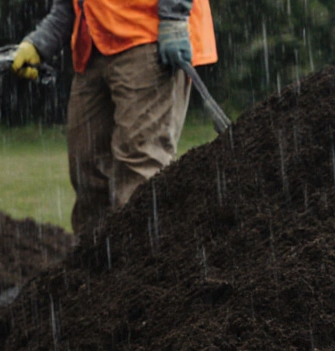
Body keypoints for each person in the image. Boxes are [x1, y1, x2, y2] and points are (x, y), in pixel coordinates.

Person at [12, 0, 217, 238]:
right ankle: (93, 268)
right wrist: (45, 38)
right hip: (94, 43)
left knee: (139, 173)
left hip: (148, 34)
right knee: (87, 168)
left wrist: (174, 19)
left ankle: (143, 265)